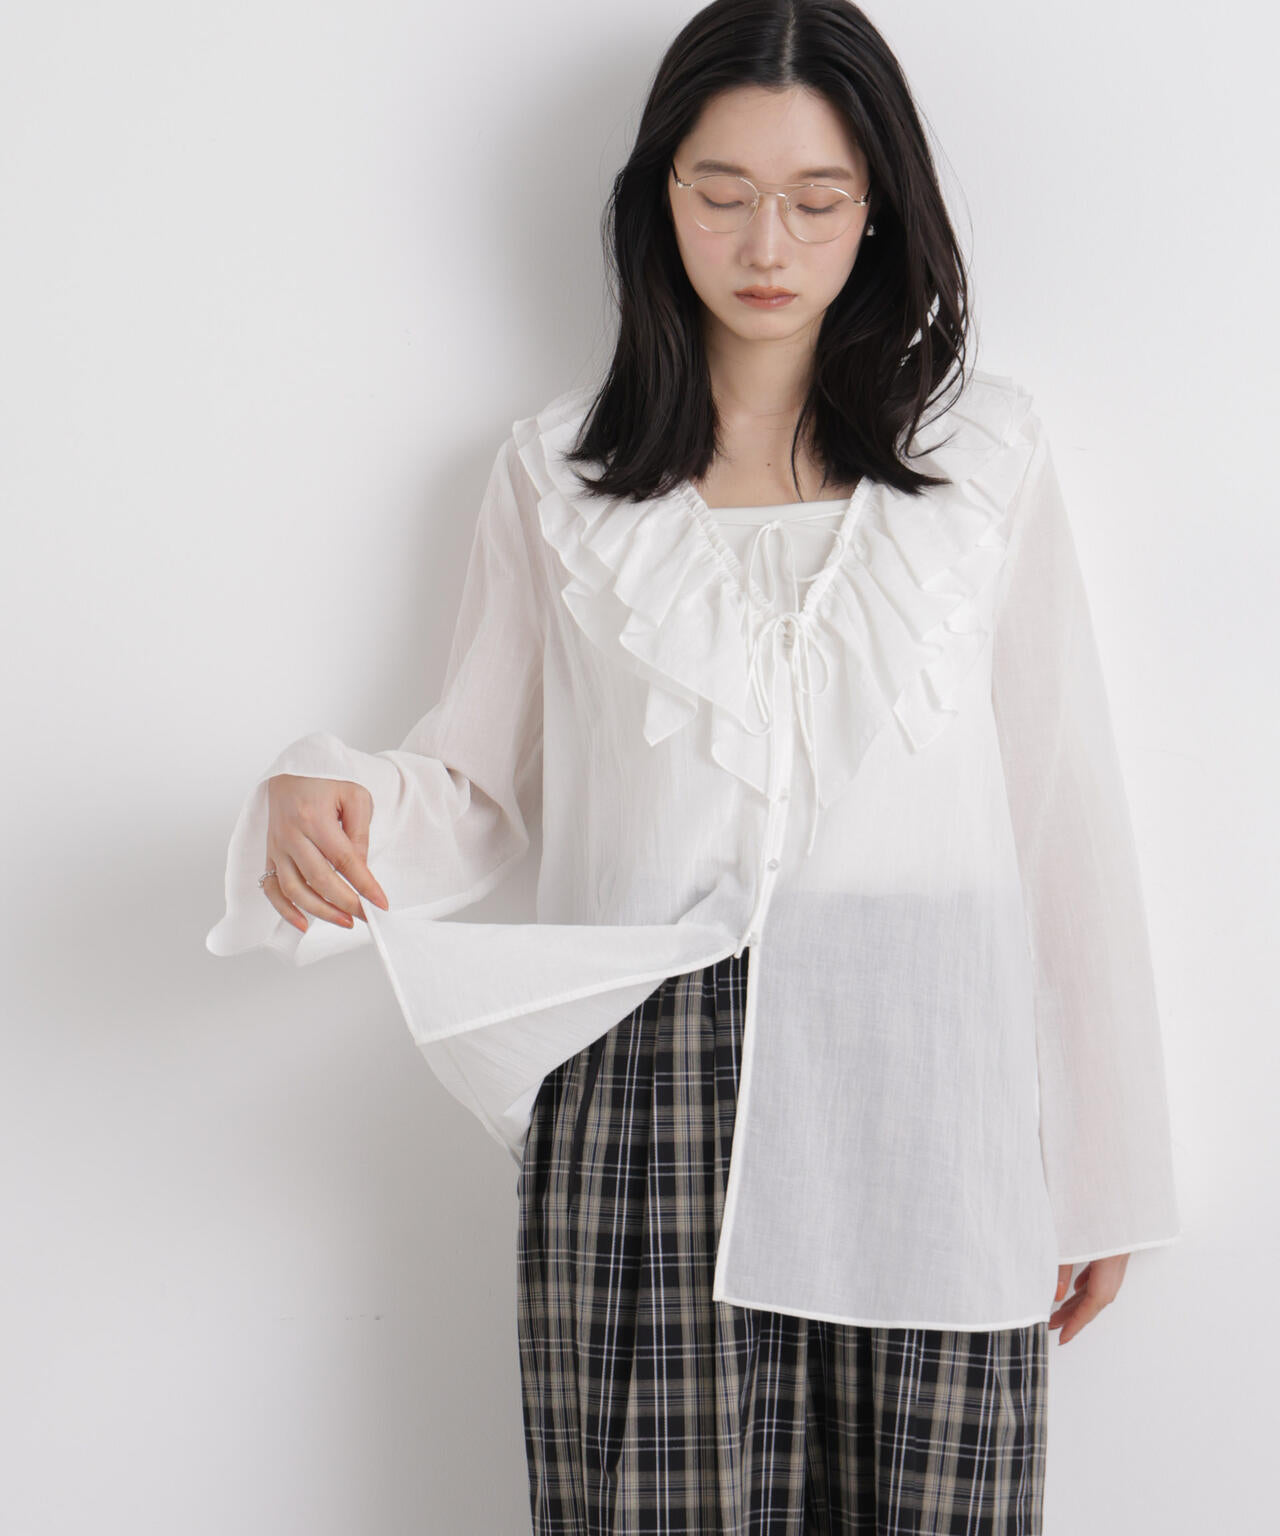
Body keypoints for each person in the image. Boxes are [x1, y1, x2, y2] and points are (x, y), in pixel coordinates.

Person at [207, 2, 1181, 1530]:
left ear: (881, 204)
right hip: (645, 1093)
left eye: (816, 199)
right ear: (657, 197)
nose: (765, 243)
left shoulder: (984, 460)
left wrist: (1104, 1160)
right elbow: (476, 789)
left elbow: (1061, 810)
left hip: (929, 1089)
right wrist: (320, 790)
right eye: (721, 193)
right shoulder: (558, 480)